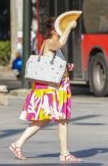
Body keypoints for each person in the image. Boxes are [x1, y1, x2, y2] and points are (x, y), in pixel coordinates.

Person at [9, 17, 82, 163]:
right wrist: (69, 27)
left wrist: (66, 66)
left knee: (47, 120)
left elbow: (51, 63)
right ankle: (64, 153)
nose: (62, 30)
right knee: (60, 120)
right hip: (53, 88)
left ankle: (18, 144)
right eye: (60, 28)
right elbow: (61, 43)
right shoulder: (50, 42)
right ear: (54, 31)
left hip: (57, 86)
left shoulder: (48, 43)